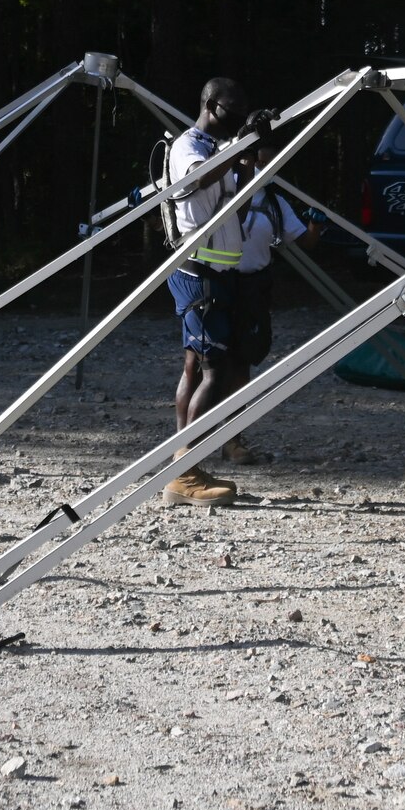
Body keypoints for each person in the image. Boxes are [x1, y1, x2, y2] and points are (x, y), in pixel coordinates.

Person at [161, 76, 266, 508]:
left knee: (193, 367)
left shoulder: (219, 149)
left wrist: (255, 147)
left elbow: (244, 189)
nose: (235, 117)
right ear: (210, 104)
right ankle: (185, 472)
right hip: (198, 271)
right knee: (212, 371)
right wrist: (237, 146)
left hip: (217, 273)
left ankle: (182, 462)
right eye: (231, 109)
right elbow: (191, 183)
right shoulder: (189, 146)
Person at [223, 174, 324, 465]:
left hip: (254, 287)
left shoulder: (274, 203)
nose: (261, 168)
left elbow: (306, 240)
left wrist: (317, 223)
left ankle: (232, 440)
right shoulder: (221, 192)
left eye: (268, 162)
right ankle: (192, 445)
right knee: (209, 364)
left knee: (242, 362)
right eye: (257, 160)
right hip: (218, 283)